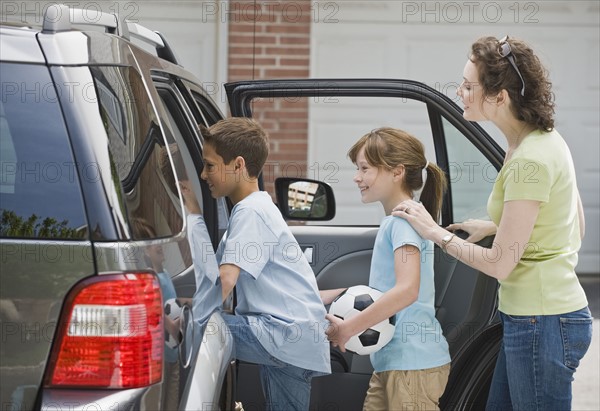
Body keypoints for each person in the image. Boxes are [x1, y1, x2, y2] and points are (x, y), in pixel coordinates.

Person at [392, 36, 593, 410]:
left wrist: (433, 232)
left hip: (542, 322)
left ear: (500, 96)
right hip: (539, 318)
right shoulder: (542, 140)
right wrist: (499, 226)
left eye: (469, 86)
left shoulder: (528, 160)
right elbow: (573, 225)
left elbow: (501, 263)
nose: (460, 92)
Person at [193, 117, 331, 410]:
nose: (203, 174)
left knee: (198, 329)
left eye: (210, 165)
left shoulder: (251, 212)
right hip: (297, 337)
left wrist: (185, 321)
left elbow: (225, 280)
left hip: (282, 333)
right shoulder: (256, 208)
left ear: (238, 165)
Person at [322, 127, 451, 410]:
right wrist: (328, 295)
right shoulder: (400, 219)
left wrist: (350, 328)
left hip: (412, 365)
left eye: (365, 168)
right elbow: (386, 287)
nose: (357, 177)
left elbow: (407, 290)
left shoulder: (403, 222)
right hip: (395, 362)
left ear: (397, 172)